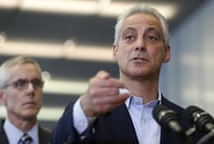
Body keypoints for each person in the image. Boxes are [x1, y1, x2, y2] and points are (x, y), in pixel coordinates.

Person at [51, 4, 203, 144]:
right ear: (115, 50)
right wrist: (85, 108)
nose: (140, 45)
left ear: (166, 53)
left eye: (151, 38)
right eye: (130, 37)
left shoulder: (189, 125)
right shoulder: (91, 116)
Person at [0, 56, 51, 144]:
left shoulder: (58, 141)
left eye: (36, 83)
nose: (31, 90)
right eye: (20, 84)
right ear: (1, 96)